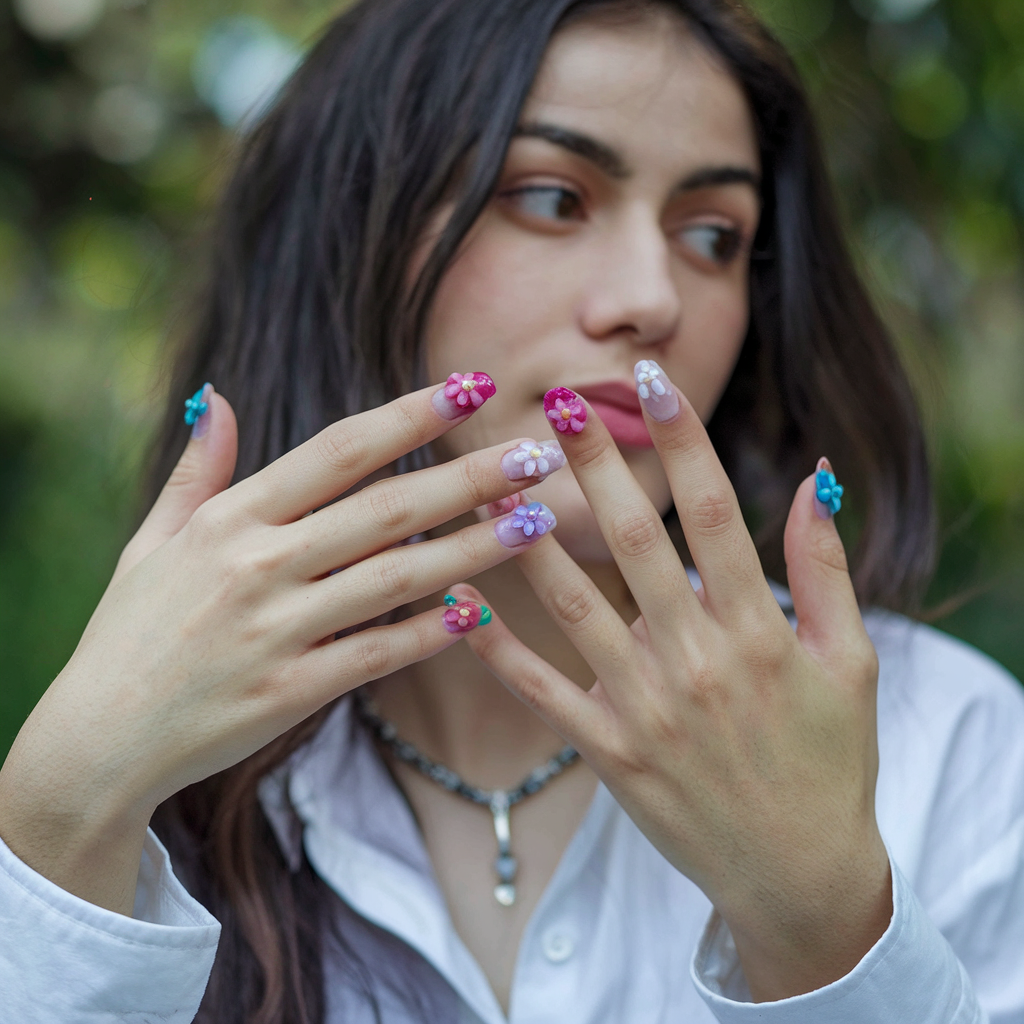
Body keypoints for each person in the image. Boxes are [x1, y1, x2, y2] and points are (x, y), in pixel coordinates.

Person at [1, 0, 1022, 1021]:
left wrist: (827, 928)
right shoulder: (162, 766)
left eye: (712, 232)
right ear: (359, 234)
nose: (650, 297)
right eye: (550, 196)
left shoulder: (943, 743)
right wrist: (59, 818)